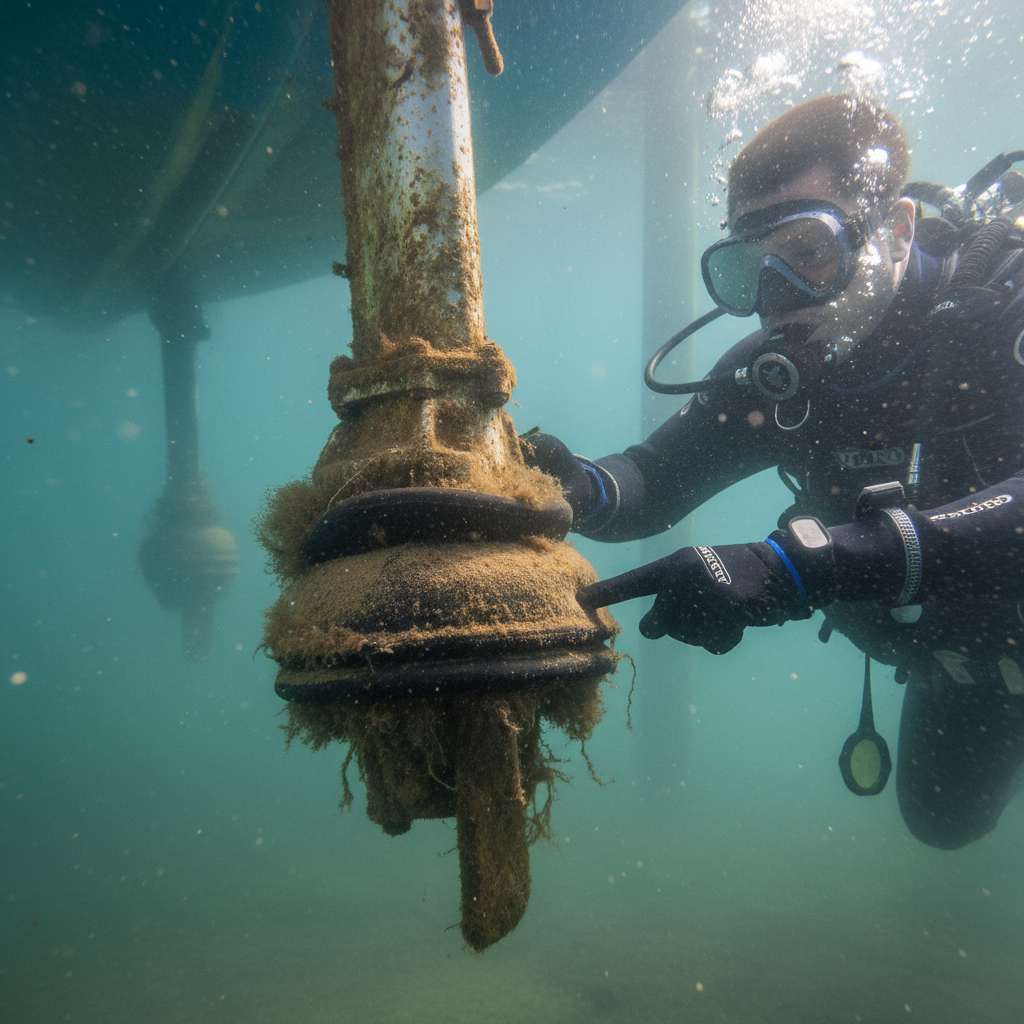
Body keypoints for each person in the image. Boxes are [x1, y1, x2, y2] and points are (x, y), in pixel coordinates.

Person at [523, 94, 1024, 850]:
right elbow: (658, 478)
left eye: (809, 251)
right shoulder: (781, 375)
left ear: (893, 230)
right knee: (940, 820)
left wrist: (803, 567)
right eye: (746, 270)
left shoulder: (1000, 317)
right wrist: (574, 488)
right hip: (961, 665)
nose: (775, 299)